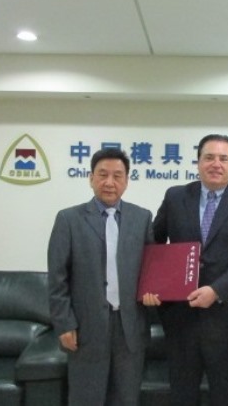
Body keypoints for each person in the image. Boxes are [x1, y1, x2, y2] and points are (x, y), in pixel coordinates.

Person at [142, 134, 228, 406]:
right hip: (180, 317)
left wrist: (217, 290)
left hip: (227, 318)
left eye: (224, 158)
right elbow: (154, 243)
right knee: (182, 394)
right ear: (198, 161)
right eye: (209, 157)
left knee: (225, 396)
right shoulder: (175, 196)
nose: (216, 164)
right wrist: (152, 285)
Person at [48, 148, 154, 406]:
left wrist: (155, 291)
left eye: (117, 176)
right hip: (86, 327)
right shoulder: (69, 219)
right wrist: (64, 324)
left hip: (130, 327)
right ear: (91, 178)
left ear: (127, 180)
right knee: (86, 398)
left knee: (126, 398)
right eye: (103, 174)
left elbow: (151, 268)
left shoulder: (142, 218)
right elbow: (57, 277)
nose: (110, 182)